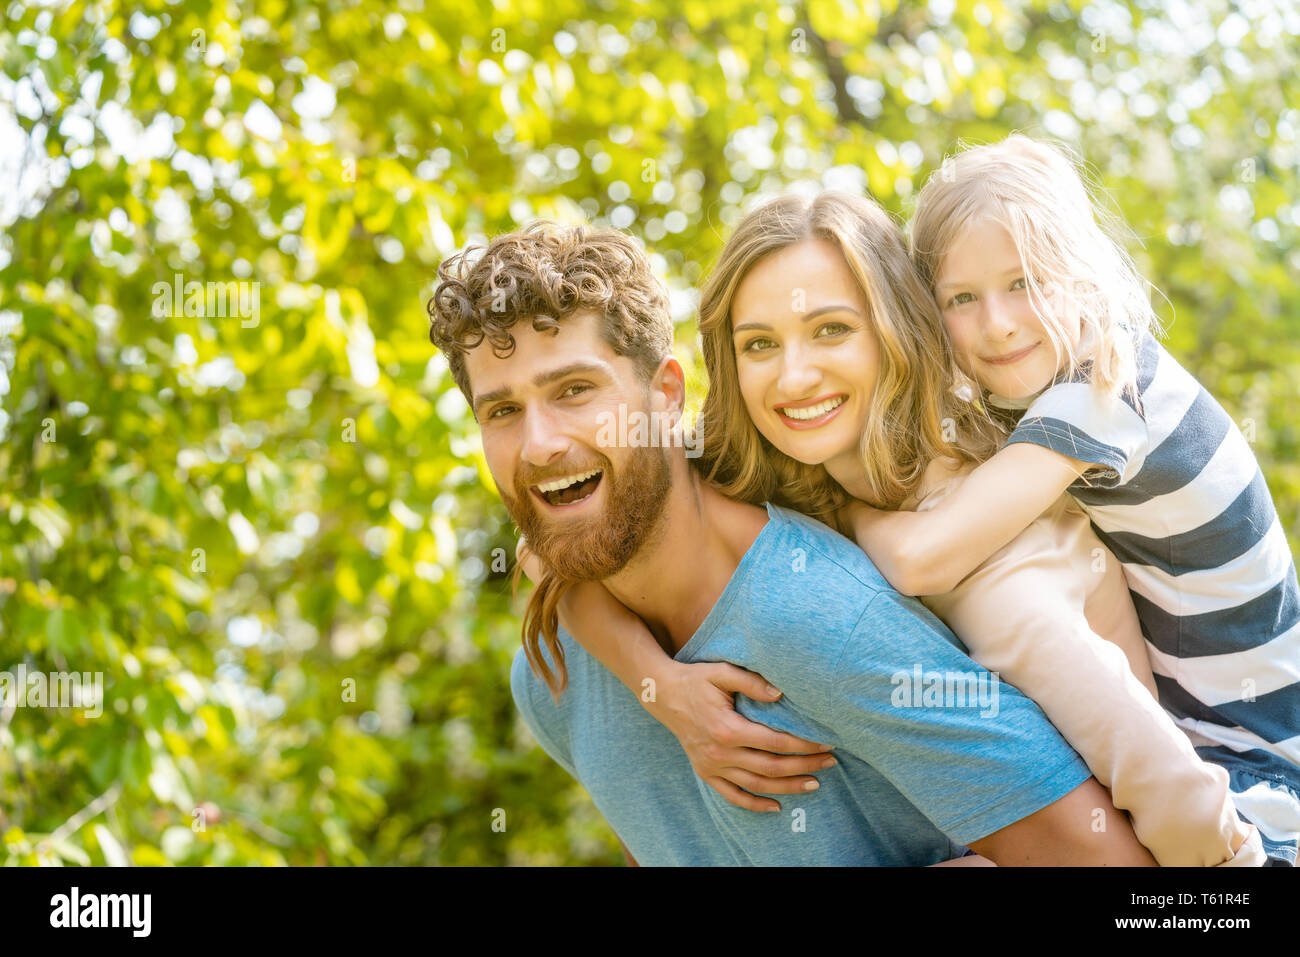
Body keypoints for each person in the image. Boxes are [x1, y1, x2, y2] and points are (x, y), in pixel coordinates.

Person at [516, 192, 1261, 866]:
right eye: (760, 344)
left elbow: (1151, 766)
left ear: (897, 333)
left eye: (831, 330)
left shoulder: (999, 565)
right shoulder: (763, 473)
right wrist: (664, 688)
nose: (794, 376)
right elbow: (558, 557)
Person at [847, 135, 1300, 866]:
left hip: (1260, 797)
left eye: (1025, 282)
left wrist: (836, 503)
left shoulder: (1106, 389)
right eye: (962, 298)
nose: (997, 322)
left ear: (1081, 276)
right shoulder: (1059, 388)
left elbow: (925, 556)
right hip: (1194, 765)